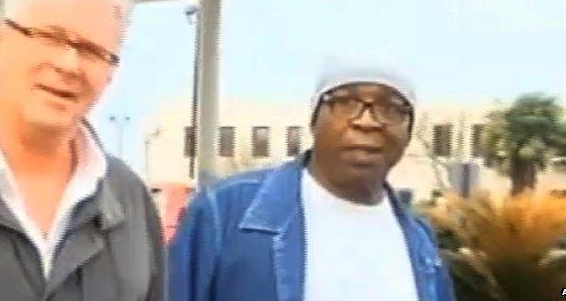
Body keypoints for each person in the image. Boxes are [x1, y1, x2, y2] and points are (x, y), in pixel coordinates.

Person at [0, 0, 165, 300]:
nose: (69, 64)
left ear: (112, 71)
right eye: (50, 37)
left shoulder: (129, 201)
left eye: (93, 51)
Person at [170, 67, 455, 301]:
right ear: (314, 119)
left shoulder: (420, 240)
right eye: (346, 103)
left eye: (392, 108)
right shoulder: (227, 212)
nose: (368, 122)